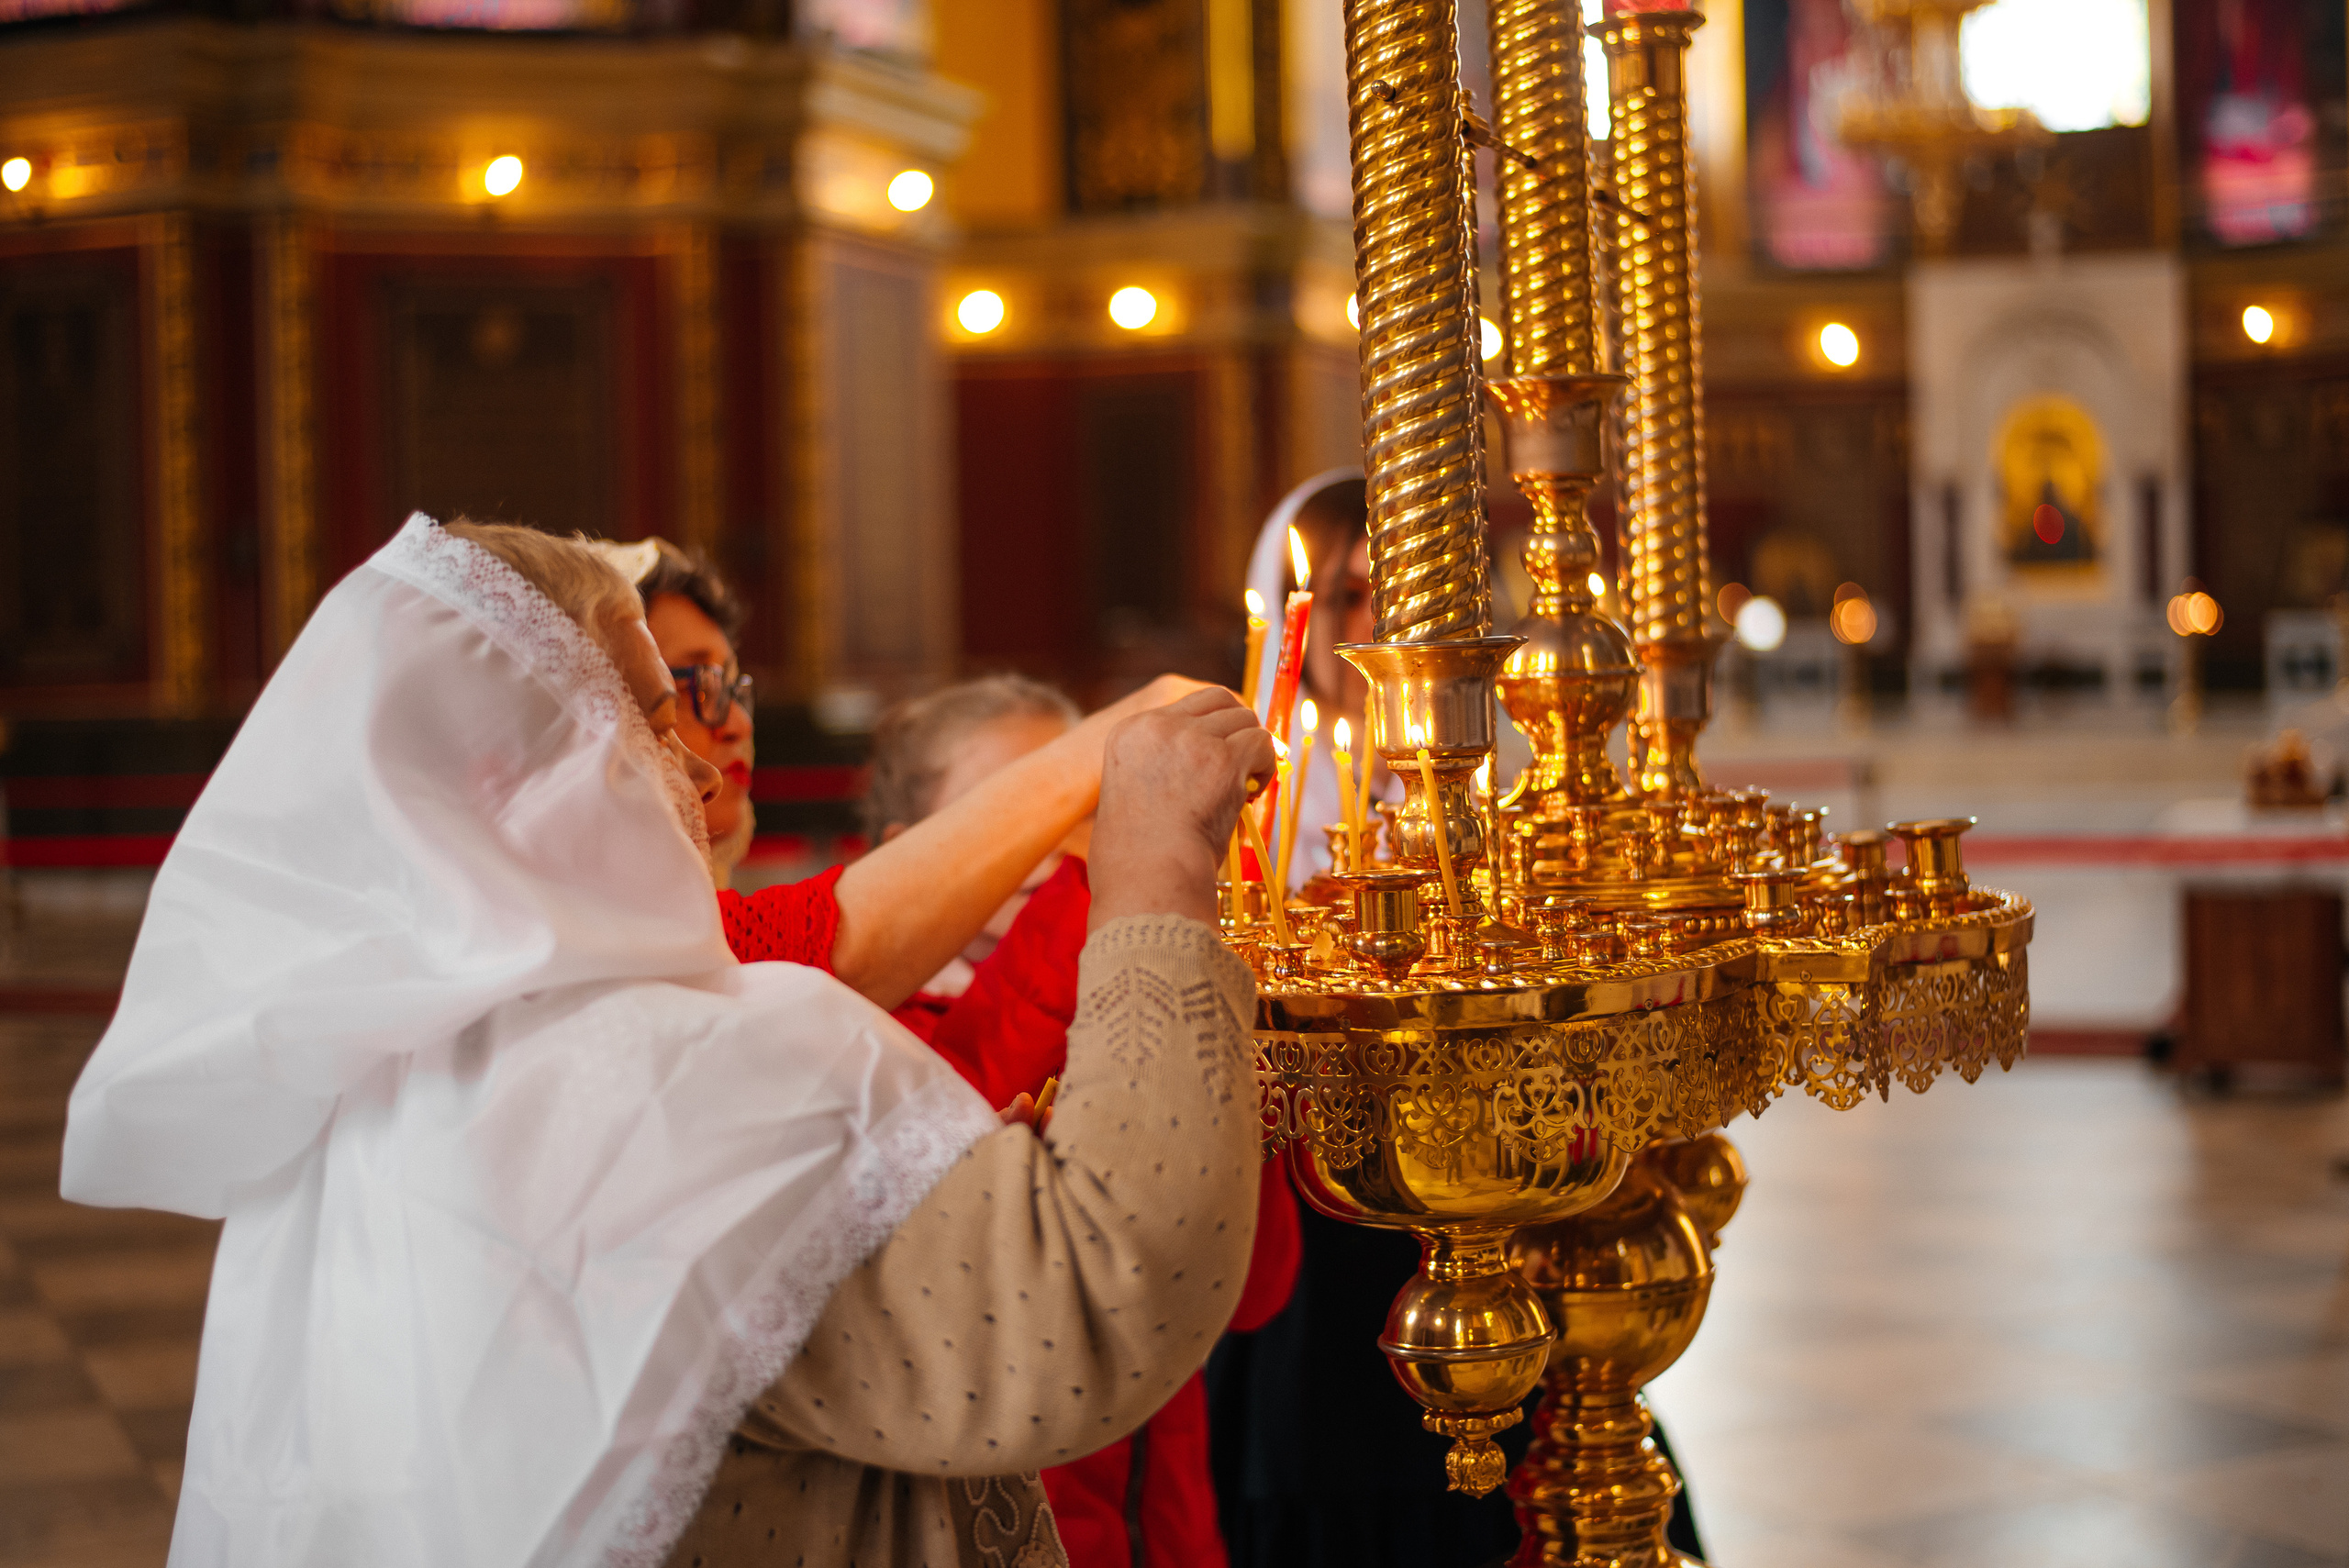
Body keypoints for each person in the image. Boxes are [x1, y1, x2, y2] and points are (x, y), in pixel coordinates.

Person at [60, 514, 1275, 1568]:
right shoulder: (666, 1069)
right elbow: (1097, 1292)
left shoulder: (393, 1075)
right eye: (651, 715)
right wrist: (1155, 873)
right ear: (515, 771)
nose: (699, 757)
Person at [834, 674, 1302, 1568]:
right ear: (908, 853)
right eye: (1016, 813)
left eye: (1087, 808)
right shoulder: (867, 1038)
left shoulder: (1143, 990)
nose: (1055, 849)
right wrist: (1131, 869)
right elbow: (977, 1079)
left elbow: (1253, 1288)